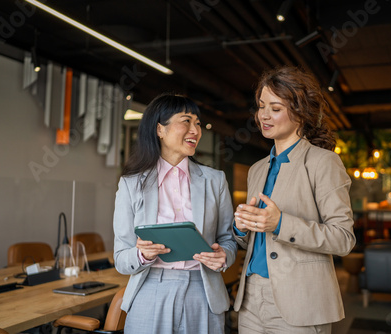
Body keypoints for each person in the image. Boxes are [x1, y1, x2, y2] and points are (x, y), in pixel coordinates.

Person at [232, 66, 356, 334]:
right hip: (251, 298)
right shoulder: (256, 169)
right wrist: (241, 227)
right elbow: (252, 241)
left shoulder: (324, 162)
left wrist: (280, 224)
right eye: (261, 106)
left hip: (301, 301)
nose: (264, 115)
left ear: (300, 113)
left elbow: (343, 239)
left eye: (275, 108)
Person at [113, 93, 237, 334]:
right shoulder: (131, 184)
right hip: (151, 288)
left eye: (198, 123)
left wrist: (224, 255)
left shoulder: (215, 180)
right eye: (186, 121)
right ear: (160, 129)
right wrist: (142, 255)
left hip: (203, 291)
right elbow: (121, 257)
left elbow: (228, 240)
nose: (195, 130)